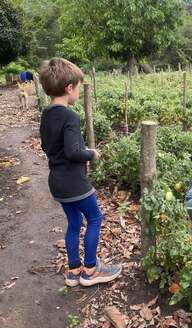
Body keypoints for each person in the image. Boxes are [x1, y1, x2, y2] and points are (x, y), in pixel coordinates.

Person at [39, 57, 121, 287]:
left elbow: (47, 146)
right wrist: (92, 153)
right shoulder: (70, 116)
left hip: (56, 181)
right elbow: (74, 152)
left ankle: (74, 270)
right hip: (74, 182)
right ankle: (91, 269)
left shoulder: (47, 114)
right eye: (77, 86)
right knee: (95, 217)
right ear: (69, 88)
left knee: (74, 222)